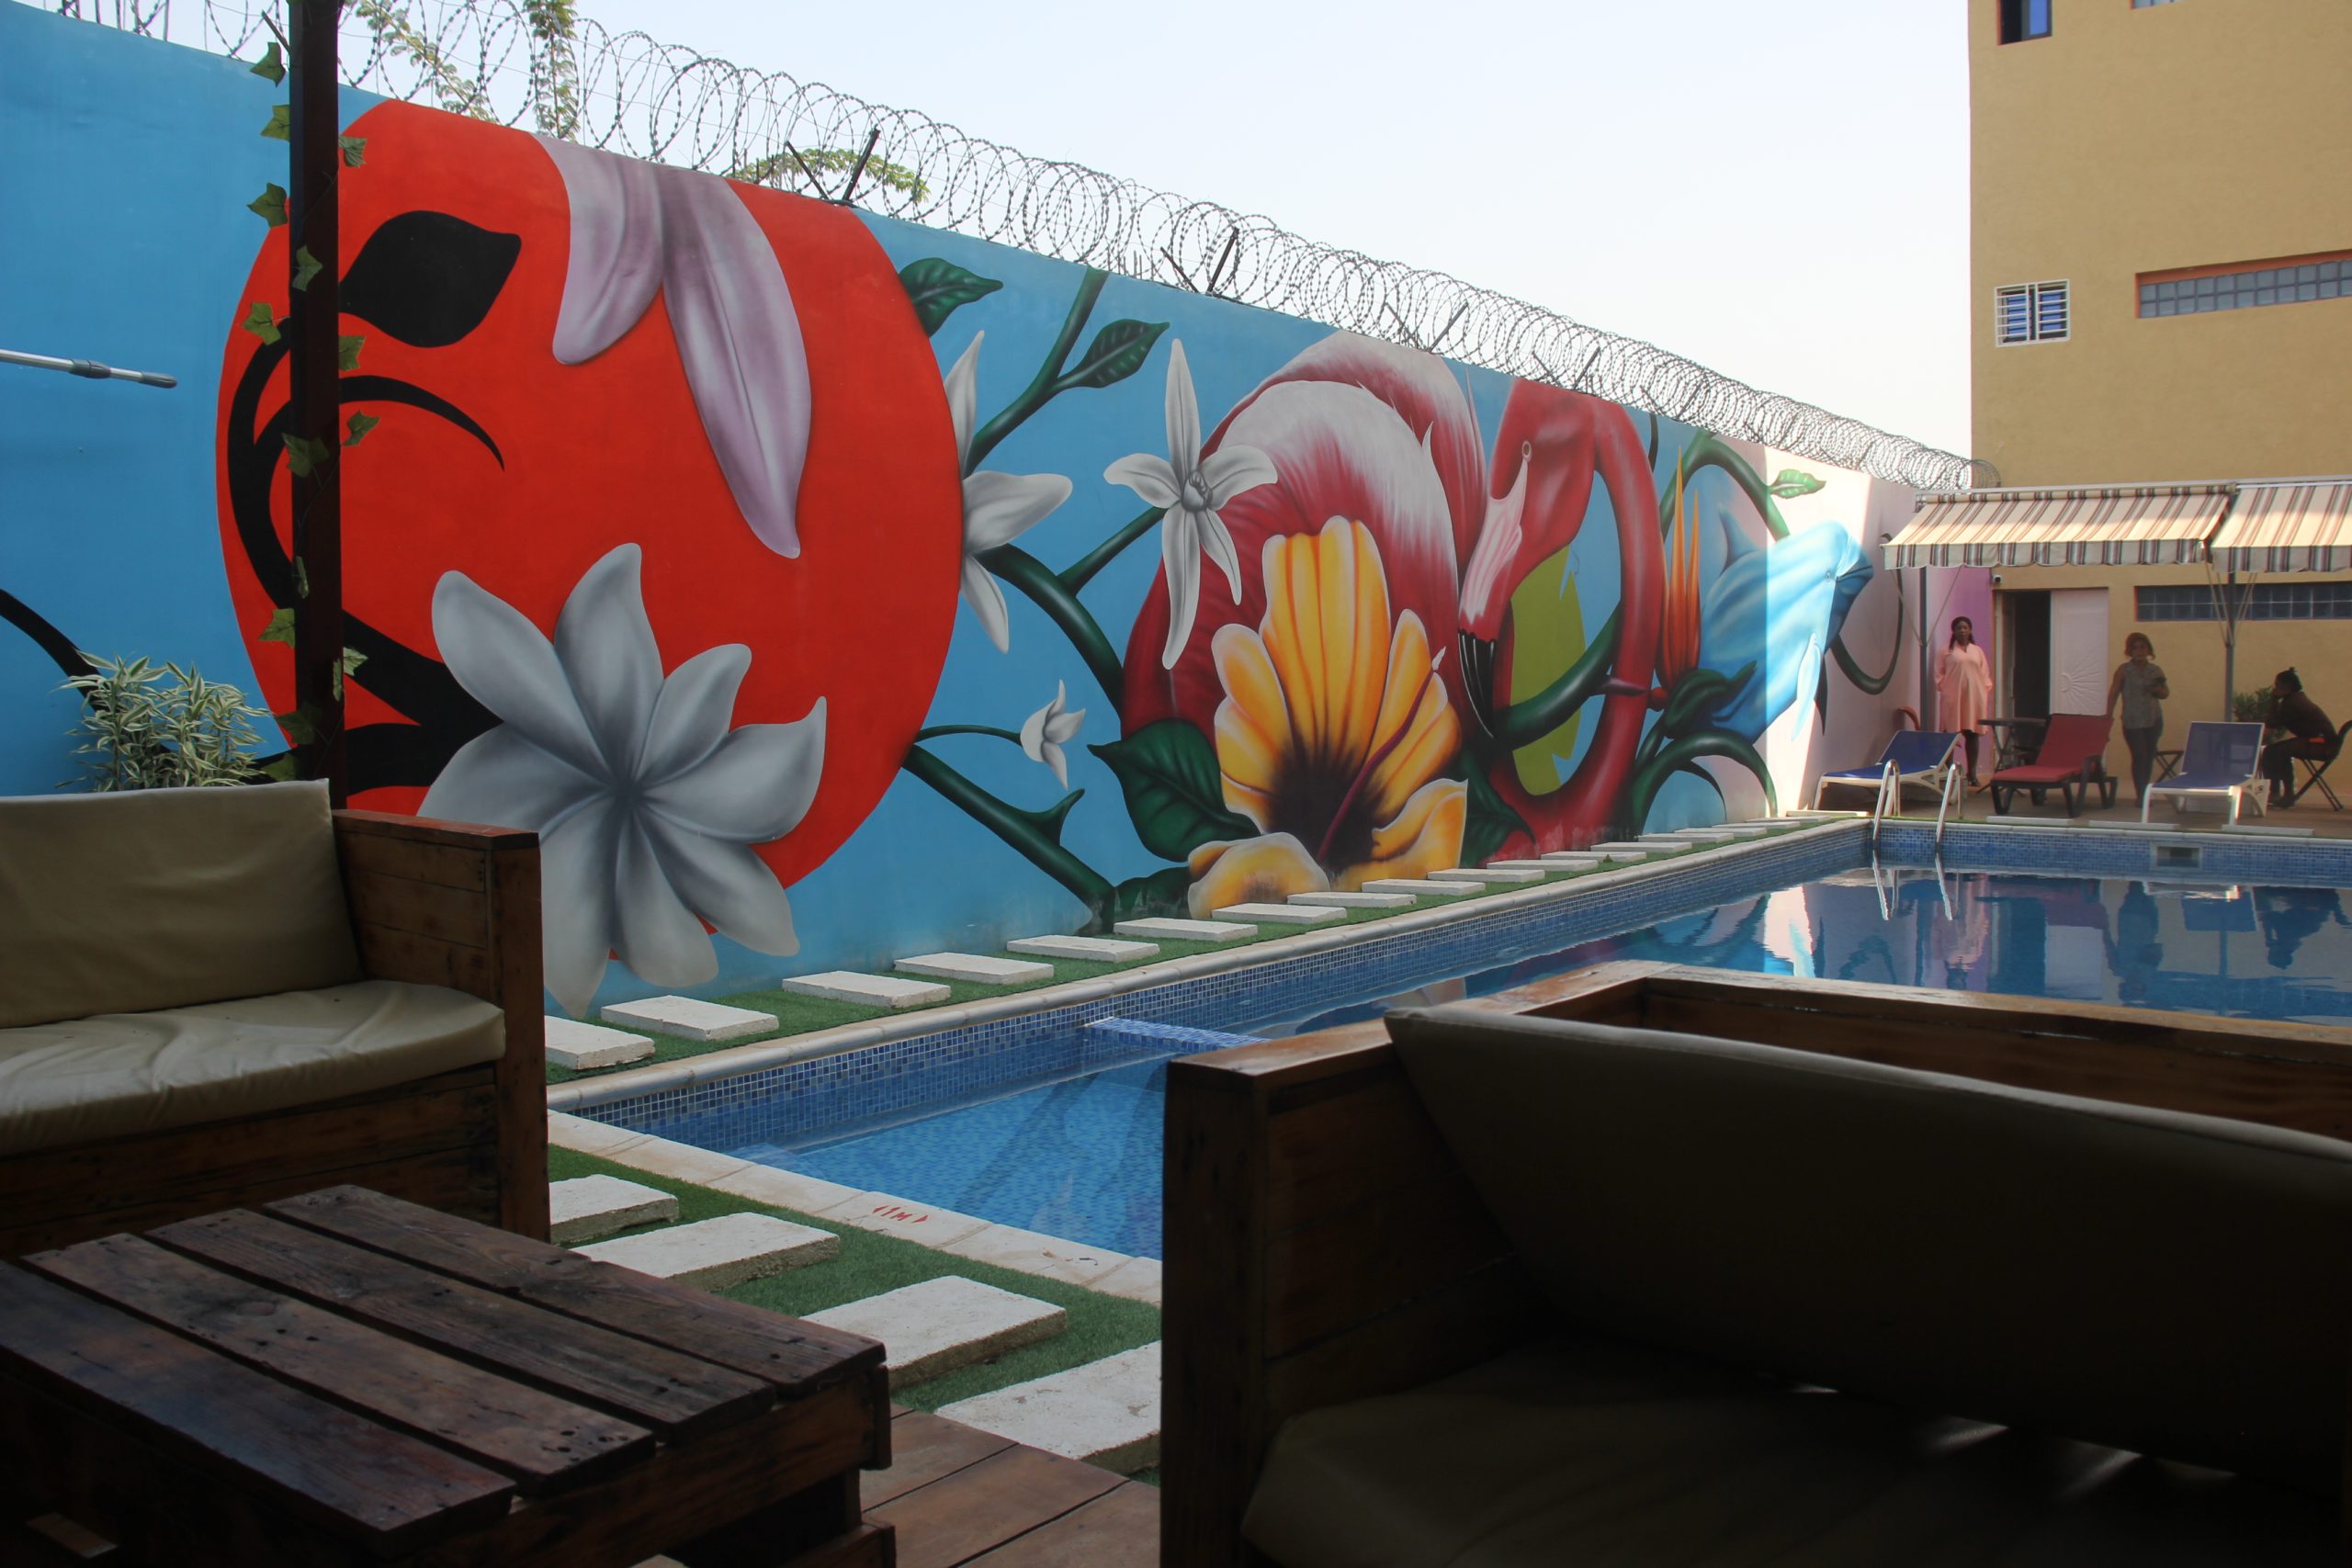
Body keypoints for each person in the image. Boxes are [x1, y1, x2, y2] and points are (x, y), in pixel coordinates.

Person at [2104, 632, 2169, 804]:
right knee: (2139, 756)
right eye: (2135, 648)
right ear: (2130, 651)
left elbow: (2165, 693)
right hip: (2132, 721)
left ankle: (2145, 792)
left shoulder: (2155, 670)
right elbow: (2114, 693)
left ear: (2148, 650)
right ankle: (2141, 795)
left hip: (2153, 719)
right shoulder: (2124, 670)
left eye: (2143, 647)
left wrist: (2156, 689)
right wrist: (2108, 716)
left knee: (2148, 756)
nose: (2139, 651)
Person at [2261, 668, 2336, 807]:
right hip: (2322, 741)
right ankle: (2280, 792)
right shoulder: (2296, 699)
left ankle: (2282, 793)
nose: (2275, 689)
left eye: (2277, 685)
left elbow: (2272, 723)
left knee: (2274, 751)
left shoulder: (2293, 703)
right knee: (2276, 750)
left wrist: (2273, 700)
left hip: (2321, 743)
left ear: (2288, 686)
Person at [1936, 615, 1995, 785]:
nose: (1962, 631)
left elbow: (1985, 674)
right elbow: (1938, 674)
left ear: (1970, 630)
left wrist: (1982, 691)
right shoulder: (1945, 650)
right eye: (1959, 628)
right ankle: (1948, 775)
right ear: (1953, 631)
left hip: (1974, 697)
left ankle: (1972, 774)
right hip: (1952, 698)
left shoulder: (1977, 651)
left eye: (1965, 627)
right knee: (1950, 736)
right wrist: (1947, 689)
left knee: (1972, 734)